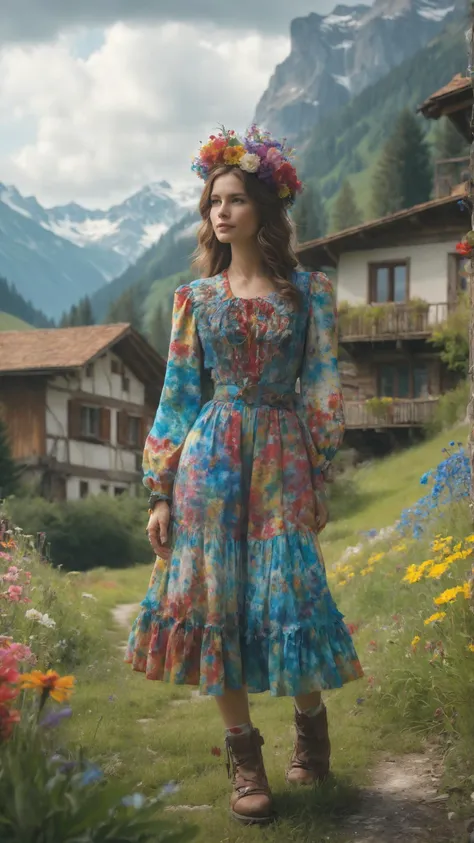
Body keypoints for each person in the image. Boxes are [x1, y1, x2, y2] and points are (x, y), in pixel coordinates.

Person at [125, 125, 363, 825]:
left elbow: (321, 388)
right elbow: (176, 396)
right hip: (209, 463)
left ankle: (310, 725)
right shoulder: (193, 299)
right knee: (215, 603)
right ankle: (244, 758)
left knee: (288, 599)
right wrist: (161, 488)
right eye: (211, 203)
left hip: (285, 457)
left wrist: (319, 473)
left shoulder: (309, 294)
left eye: (232, 199)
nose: (219, 213)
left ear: (264, 207)